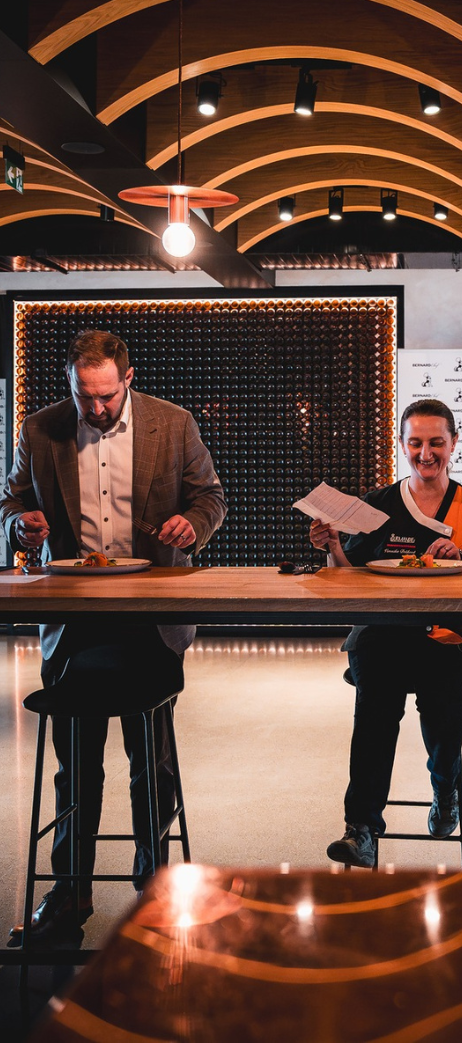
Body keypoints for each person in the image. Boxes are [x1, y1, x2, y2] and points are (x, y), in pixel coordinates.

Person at [2, 330, 226, 942]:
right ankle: (69, 892)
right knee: (75, 768)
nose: (96, 408)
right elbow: (10, 501)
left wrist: (192, 525)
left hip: (151, 617)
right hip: (74, 618)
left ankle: (155, 888)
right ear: (69, 383)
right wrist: (20, 527)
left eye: (106, 396)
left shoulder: (173, 423)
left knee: (151, 765)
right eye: (85, 396)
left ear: (127, 379)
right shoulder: (40, 429)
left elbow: (210, 497)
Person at [310, 399, 462, 869]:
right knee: (375, 704)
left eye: (436, 442)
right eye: (415, 443)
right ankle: (361, 828)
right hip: (384, 633)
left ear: (454, 444)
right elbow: (349, 578)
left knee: (441, 691)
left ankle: (445, 789)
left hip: (454, 634)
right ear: (402, 445)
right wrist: (333, 546)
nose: (426, 453)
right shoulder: (376, 505)